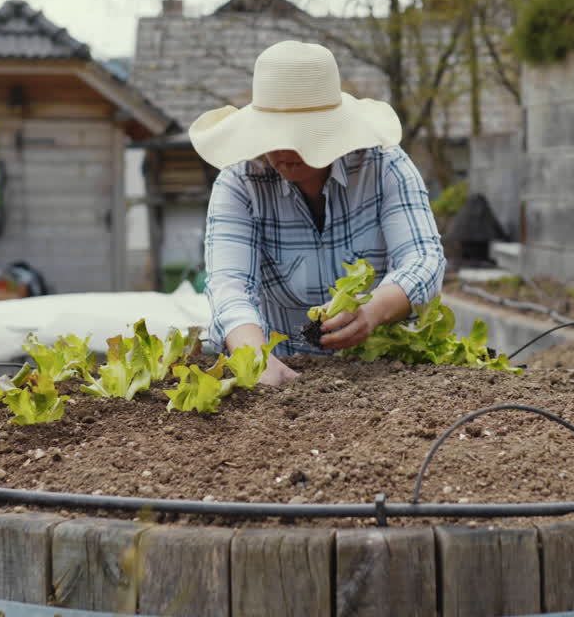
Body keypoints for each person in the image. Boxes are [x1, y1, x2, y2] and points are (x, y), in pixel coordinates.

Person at [189, 40, 446, 386]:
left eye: (298, 136)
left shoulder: (383, 164)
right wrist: (254, 357)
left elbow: (424, 258)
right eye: (271, 135)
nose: (281, 151)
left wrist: (374, 311)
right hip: (286, 372)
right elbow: (230, 285)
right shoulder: (240, 182)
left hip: (384, 374)